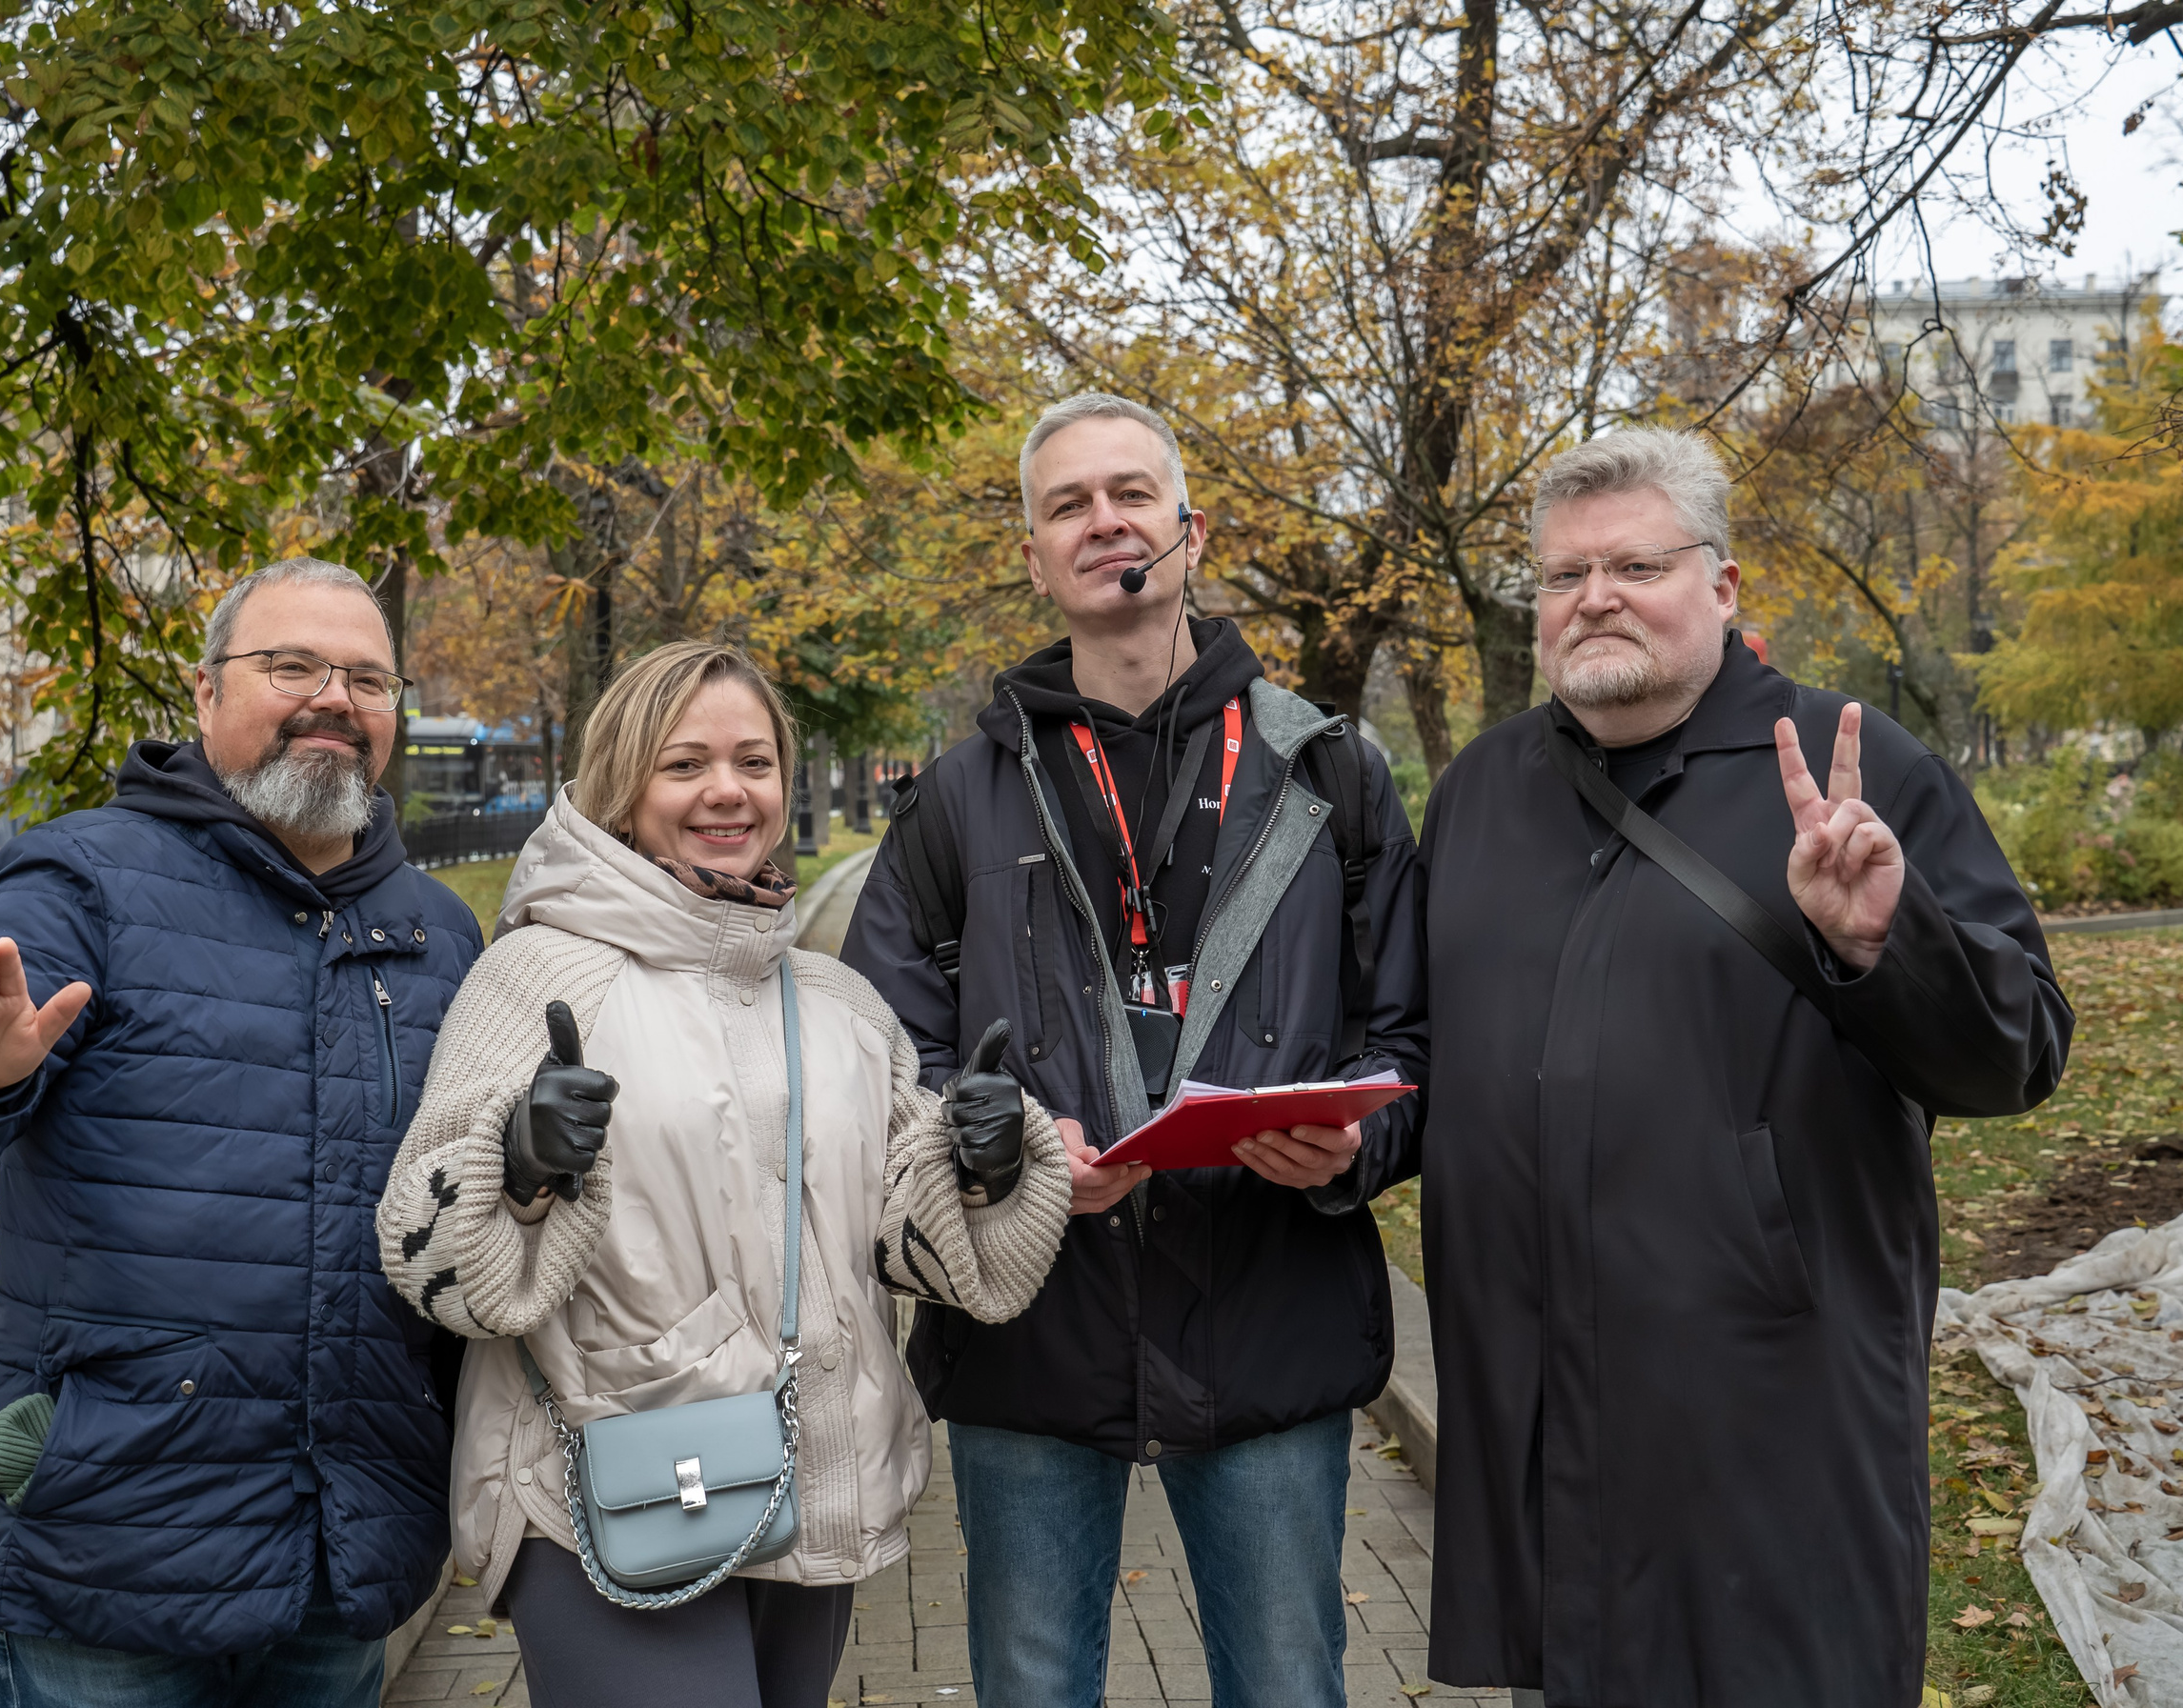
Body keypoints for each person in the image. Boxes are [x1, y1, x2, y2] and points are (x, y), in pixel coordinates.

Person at [1416, 429, 2074, 1708]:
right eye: (1562, 576)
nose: (1593, 597)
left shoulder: (1851, 763)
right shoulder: (1484, 792)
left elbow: (2019, 1051)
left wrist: (1887, 941)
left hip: (1767, 1402)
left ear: (1721, 586)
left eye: (1636, 564)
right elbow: (1414, 1050)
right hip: (1539, 1401)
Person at [839, 392, 1429, 1708]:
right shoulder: (955, 799)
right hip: (1030, 1325)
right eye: (1068, 504)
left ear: (1189, 532)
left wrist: (1354, 1146)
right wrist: (994, 1158)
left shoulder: (1331, 772)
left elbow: (1412, 1031)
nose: (1104, 520)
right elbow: (880, 1053)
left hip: (1270, 1314)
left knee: (1288, 1686)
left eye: (1130, 494)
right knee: (1033, 1688)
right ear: (1037, 560)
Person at [0, 558, 485, 1707]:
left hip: (344, 1548)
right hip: (109, 1538)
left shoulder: (437, 931)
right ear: (203, 692)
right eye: (291, 664)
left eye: (367, 676)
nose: (333, 695)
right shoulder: (82, 877)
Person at [374, 639, 1073, 1708]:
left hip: (810, 1469)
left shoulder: (836, 1001)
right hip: (604, 1483)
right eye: (685, 762)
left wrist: (980, 1167)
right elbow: (429, 1257)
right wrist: (515, 1167)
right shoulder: (540, 973)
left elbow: (901, 1237)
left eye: (753, 760)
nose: (725, 791)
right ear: (623, 782)